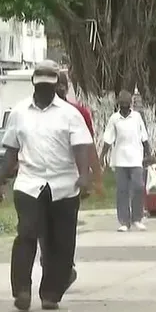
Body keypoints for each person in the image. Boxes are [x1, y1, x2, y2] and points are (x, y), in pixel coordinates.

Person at [0, 60, 95, 312]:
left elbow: (81, 146)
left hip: (63, 184)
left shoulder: (70, 114)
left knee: (61, 243)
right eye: (41, 87)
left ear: (57, 86)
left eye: (50, 87)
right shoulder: (19, 112)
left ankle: (51, 293)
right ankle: (22, 291)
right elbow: (11, 151)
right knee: (26, 234)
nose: (45, 91)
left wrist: (84, 175)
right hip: (29, 183)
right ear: (33, 84)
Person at [52, 70, 104, 289]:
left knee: (65, 225)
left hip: (72, 180)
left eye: (62, 84)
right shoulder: (33, 112)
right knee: (44, 227)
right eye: (56, 84)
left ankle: (65, 266)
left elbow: (89, 144)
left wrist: (94, 176)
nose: (59, 88)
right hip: (40, 181)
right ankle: (53, 265)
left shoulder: (79, 112)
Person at [100, 90, 151, 232]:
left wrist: (148, 154)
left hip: (136, 158)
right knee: (122, 191)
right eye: (122, 104)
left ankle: (137, 218)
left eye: (127, 103)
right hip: (120, 159)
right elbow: (108, 139)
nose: (124, 106)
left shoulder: (137, 117)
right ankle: (124, 221)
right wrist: (102, 156)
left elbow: (144, 136)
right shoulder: (114, 119)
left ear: (131, 104)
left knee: (138, 187)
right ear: (119, 104)